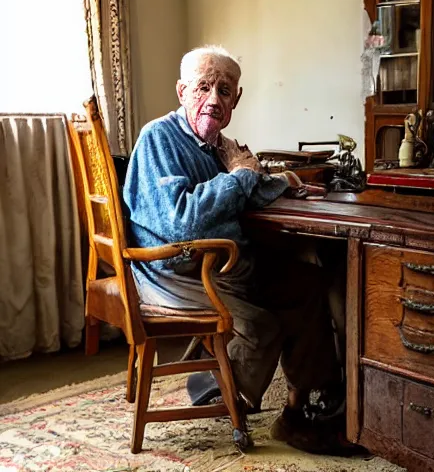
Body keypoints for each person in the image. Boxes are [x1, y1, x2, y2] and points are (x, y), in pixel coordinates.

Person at [123, 45, 357, 454]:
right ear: (182, 92)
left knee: (307, 285)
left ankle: (304, 411)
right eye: (204, 88)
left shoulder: (216, 145)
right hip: (176, 270)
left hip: (223, 263)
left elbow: (244, 187)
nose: (214, 100)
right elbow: (183, 220)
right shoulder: (158, 137)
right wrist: (240, 175)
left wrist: (283, 182)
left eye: (225, 91)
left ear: (237, 99)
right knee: (261, 325)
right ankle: (218, 390)